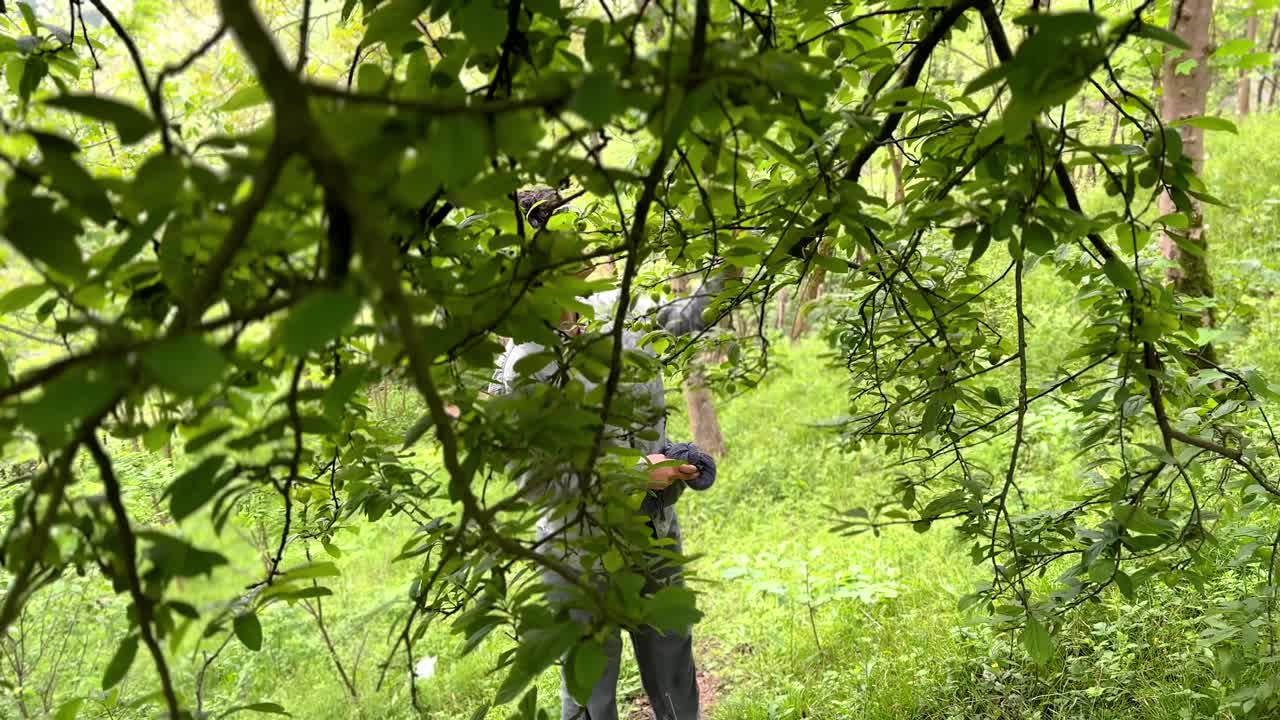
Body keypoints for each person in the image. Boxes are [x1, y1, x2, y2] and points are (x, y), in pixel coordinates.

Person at [487, 191, 718, 720]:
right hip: (577, 553)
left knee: (676, 684)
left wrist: (737, 262)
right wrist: (632, 473)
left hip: (653, 536)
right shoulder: (523, 363)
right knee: (590, 698)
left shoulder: (619, 311)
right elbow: (534, 480)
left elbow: (686, 315)